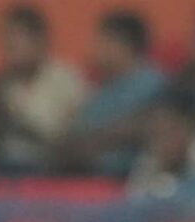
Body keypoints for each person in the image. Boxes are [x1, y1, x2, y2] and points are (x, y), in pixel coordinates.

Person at [64, 11, 165, 176]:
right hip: (88, 175)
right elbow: (77, 134)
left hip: (132, 177)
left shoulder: (153, 83)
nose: (95, 50)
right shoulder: (100, 92)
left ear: (122, 44)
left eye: (102, 42)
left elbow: (148, 125)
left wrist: (100, 140)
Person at [0, 6, 86, 175]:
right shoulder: (5, 82)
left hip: (52, 170)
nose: (10, 47)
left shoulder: (65, 80)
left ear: (40, 40)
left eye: (17, 39)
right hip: (5, 168)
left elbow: (72, 137)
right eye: (7, 39)